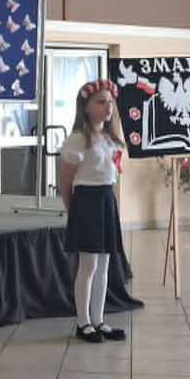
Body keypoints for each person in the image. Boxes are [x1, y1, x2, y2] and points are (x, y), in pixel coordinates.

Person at [59, 78, 129, 343]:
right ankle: (83, 322)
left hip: (106, 199)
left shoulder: (109, 139)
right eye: (100, 102)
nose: (108, 107)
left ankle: (99, 320)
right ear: (86, 107)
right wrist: (72, 209)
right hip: (86, 201)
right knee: (88, 266)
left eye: (110, 102)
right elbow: (65, 180)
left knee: (104, 265)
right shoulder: (79, 139)